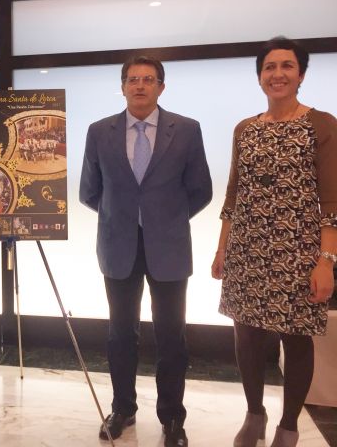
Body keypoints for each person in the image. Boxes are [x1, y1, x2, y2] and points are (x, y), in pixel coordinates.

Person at [80, 56, 212, 447]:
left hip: (169, 246)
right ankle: (123, 408)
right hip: (118, 245)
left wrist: (163, 219)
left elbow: (201, 189)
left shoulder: (186, 130)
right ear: (122, 86)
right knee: (120, 334)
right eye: (132, 79)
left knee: (172, 336)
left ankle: (172, 417)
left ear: (161, 87)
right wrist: (124, 217)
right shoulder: (99, 131)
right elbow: (89, 191)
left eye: (148, 79)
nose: (140, 85)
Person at [211, 37, 337, 447]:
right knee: (246, 335)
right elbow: (233, 194)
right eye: (269, 67)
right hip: (247, 249)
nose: (277, 74)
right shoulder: (245, 130)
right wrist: (222, 248)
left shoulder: (321, 124)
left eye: (287, 66)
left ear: (301, 75)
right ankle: (254, 414)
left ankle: (289, 425)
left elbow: (332, 200)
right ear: (260, 76)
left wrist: (326, 261)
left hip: (298, 252)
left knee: (296, 338)